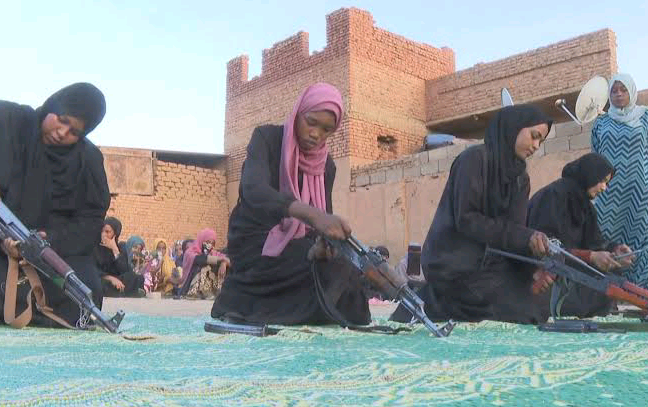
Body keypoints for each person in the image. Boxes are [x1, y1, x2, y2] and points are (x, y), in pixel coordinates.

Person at [211, 82, 371, 325]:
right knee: (308, 270)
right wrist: (310, 214)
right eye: (311, 122)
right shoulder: (266, 138)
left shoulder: (326, 167)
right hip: (254, 241)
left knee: (342, 270)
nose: (316, 134)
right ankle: (239, 302)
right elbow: (254, 190)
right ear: (298, 113)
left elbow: (321, 225)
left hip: (298, 245)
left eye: (327, 130)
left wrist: (321, 246)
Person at [390, 105, 553, 325]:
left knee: (537, 305)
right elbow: (467, 219)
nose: (535, 146)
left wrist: (533, 268)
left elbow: (514, 233)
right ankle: (431, 302)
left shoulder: (520, 178)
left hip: (490, 265)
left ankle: (443, 301)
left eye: (540, 142)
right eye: (534, 136)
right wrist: (524, 237)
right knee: (505, 305)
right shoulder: (474, 159)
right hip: (454, 261)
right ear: (514, 128)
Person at [0, 83, 109, 327]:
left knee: (86, 291)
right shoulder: (9, 121)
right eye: (62, 119)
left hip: (51, 255)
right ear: (51, 106)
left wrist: (52, 239)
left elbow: (90, 222)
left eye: (74, 132)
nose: (61, 132)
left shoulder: (87, 160)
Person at [527, 153, 634, 317]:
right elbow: (547, 247)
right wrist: (591, 256)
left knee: (612, 277)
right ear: (590, 174)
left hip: (570, 268)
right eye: (602, 181)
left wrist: (615, 251)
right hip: (543, 273)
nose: (604, 188)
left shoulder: (586, 206)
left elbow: (595, 242)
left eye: (607, 183)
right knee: (587, 294)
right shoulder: (553, 196)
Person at [591, 73, 648, 293]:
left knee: (642, 243)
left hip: (641, 192)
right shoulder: (601, 122)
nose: (618, 95)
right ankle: (608, 297)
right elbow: (596, 157)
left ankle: (642, 296)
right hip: (608, 194)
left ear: (631, 91)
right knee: (605, 239)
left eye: (623, 90)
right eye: (614, 91)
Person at [95, 223, 146, 298]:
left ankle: (126, 291)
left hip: (118, 279)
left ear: (115, 234)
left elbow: (125, 270)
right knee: (101, 283)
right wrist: (111, 278)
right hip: (102, 279)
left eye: (107, 232)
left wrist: (115, 250)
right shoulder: (95, 248)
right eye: (102, 231)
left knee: (136, 277)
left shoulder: (120, 247)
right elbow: (93, 270)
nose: (104, 234)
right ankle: (129, 291)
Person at [178, 229, 230, 299]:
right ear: (201, 240)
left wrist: (224, 263)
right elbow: (201, 259)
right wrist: (221, 259)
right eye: (208, 242)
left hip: (211, 288)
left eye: (212, 243)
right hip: (189, 286)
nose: (209, 245)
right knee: (205, 266)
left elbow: (228, 259)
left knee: (222, 267)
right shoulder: (190, 252)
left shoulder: (213, 253)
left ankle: (216, 291)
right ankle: (200, 291)